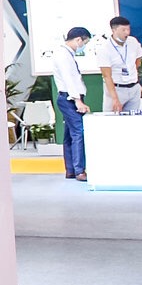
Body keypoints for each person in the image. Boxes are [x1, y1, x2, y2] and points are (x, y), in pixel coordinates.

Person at [52, 26, 93, 181]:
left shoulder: (66, 54)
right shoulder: (63, 55)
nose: (84, 46)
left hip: (70, 98)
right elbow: (69, 79)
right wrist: (78, 101)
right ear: (78, 40)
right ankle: (79, 170)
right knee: (78, 133)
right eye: (85, 43)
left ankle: (71, 169)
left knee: (70, 135)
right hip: (69, 99)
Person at [93, 15, 142, 112]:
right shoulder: (104, 48)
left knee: (133, 118)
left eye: (128, 29)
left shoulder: (132, 41)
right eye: (123, 30)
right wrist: (114, 98)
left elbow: (138, 59)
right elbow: (106, 76)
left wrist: (134, 75)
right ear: (114, 30)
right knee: (112, 118)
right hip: (116, 88)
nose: (127, 32)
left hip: (133, 87)